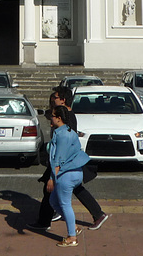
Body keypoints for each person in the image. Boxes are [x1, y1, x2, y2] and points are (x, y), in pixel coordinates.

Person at [28, 87, 109, 232]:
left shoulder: (67, 117)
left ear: (63, 99)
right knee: (74, 189)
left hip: (64, 162)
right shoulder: (65, 114)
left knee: (51, 189)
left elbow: (64, 144)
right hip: (65, 162)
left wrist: (55, 169)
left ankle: (50, 222)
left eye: (56, 97)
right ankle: (97, 214)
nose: (53, 99)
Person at [47, 105, 90, 247]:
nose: (50, 118)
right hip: (75, 172)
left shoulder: (62, 135)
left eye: (52, 116)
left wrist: (52, 178)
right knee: (53, 201)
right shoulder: (68, 131)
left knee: (65, 205)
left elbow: (58, 159)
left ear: (59, 118)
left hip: (66, 175)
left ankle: (72, 237)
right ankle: (74, 227)